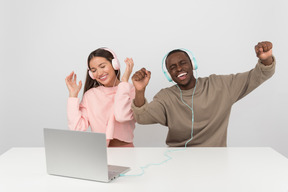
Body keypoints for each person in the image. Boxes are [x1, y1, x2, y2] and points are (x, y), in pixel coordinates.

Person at [131, 41, 275, 147]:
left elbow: (258, 75)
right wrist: (139, 90)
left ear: (192, 64)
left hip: (215, 160)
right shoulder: (166, 97)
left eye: (183, 63)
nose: (179, 68)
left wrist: (266, 58)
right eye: (173, 67)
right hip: (177, 161)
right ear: (169, 75)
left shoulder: (220, 85)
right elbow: (142, 117)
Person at [65, 47, 136, 147]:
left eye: (102, 66)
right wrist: (73, 95)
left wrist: (124, 81)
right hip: (100, 152)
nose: (99, 73)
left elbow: (121, 116)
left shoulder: (129, 89)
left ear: (114, 65)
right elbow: (76, 129)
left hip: (126, 152)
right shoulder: (90, 96)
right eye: (94, 70)